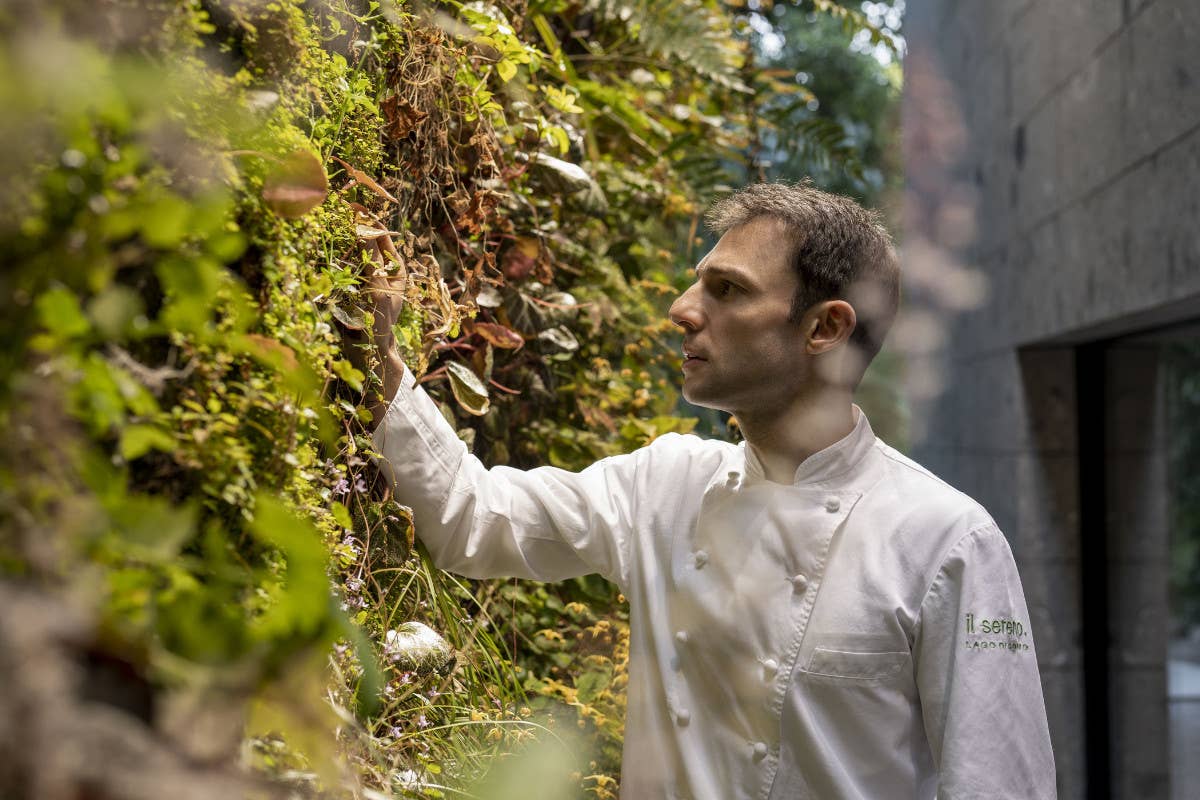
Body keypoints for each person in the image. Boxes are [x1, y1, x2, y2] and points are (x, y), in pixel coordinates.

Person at [358, 182, 1056, 799]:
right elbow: (471, 521)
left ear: (825, 328)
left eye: (727, 289)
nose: (681, 309)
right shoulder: (666, 485)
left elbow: (997, 784)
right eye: (698, 283)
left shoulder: (945, 540)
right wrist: (382, 360)